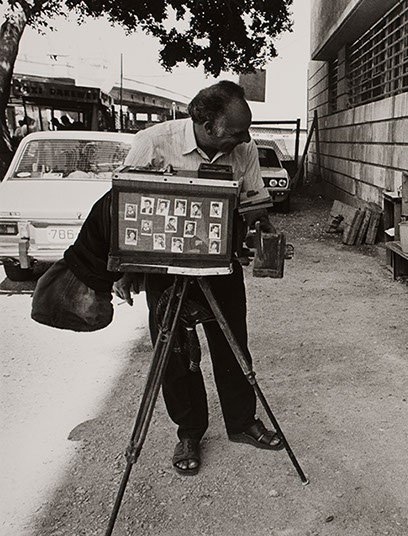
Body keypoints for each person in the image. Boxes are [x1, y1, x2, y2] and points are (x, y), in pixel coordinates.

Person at [63, 81, 279, 477]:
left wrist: (264, 230)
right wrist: (128, 271)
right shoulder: (153, 143)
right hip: (166, 271)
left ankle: (243, 422)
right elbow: (125, 211)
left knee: (233, 345)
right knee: (174, 354)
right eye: (236, 131)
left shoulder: (244, 149)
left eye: (246, 130)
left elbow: (254, 201)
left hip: (221, 265)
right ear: (206, 124)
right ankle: (189, 432)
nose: (245, 139)